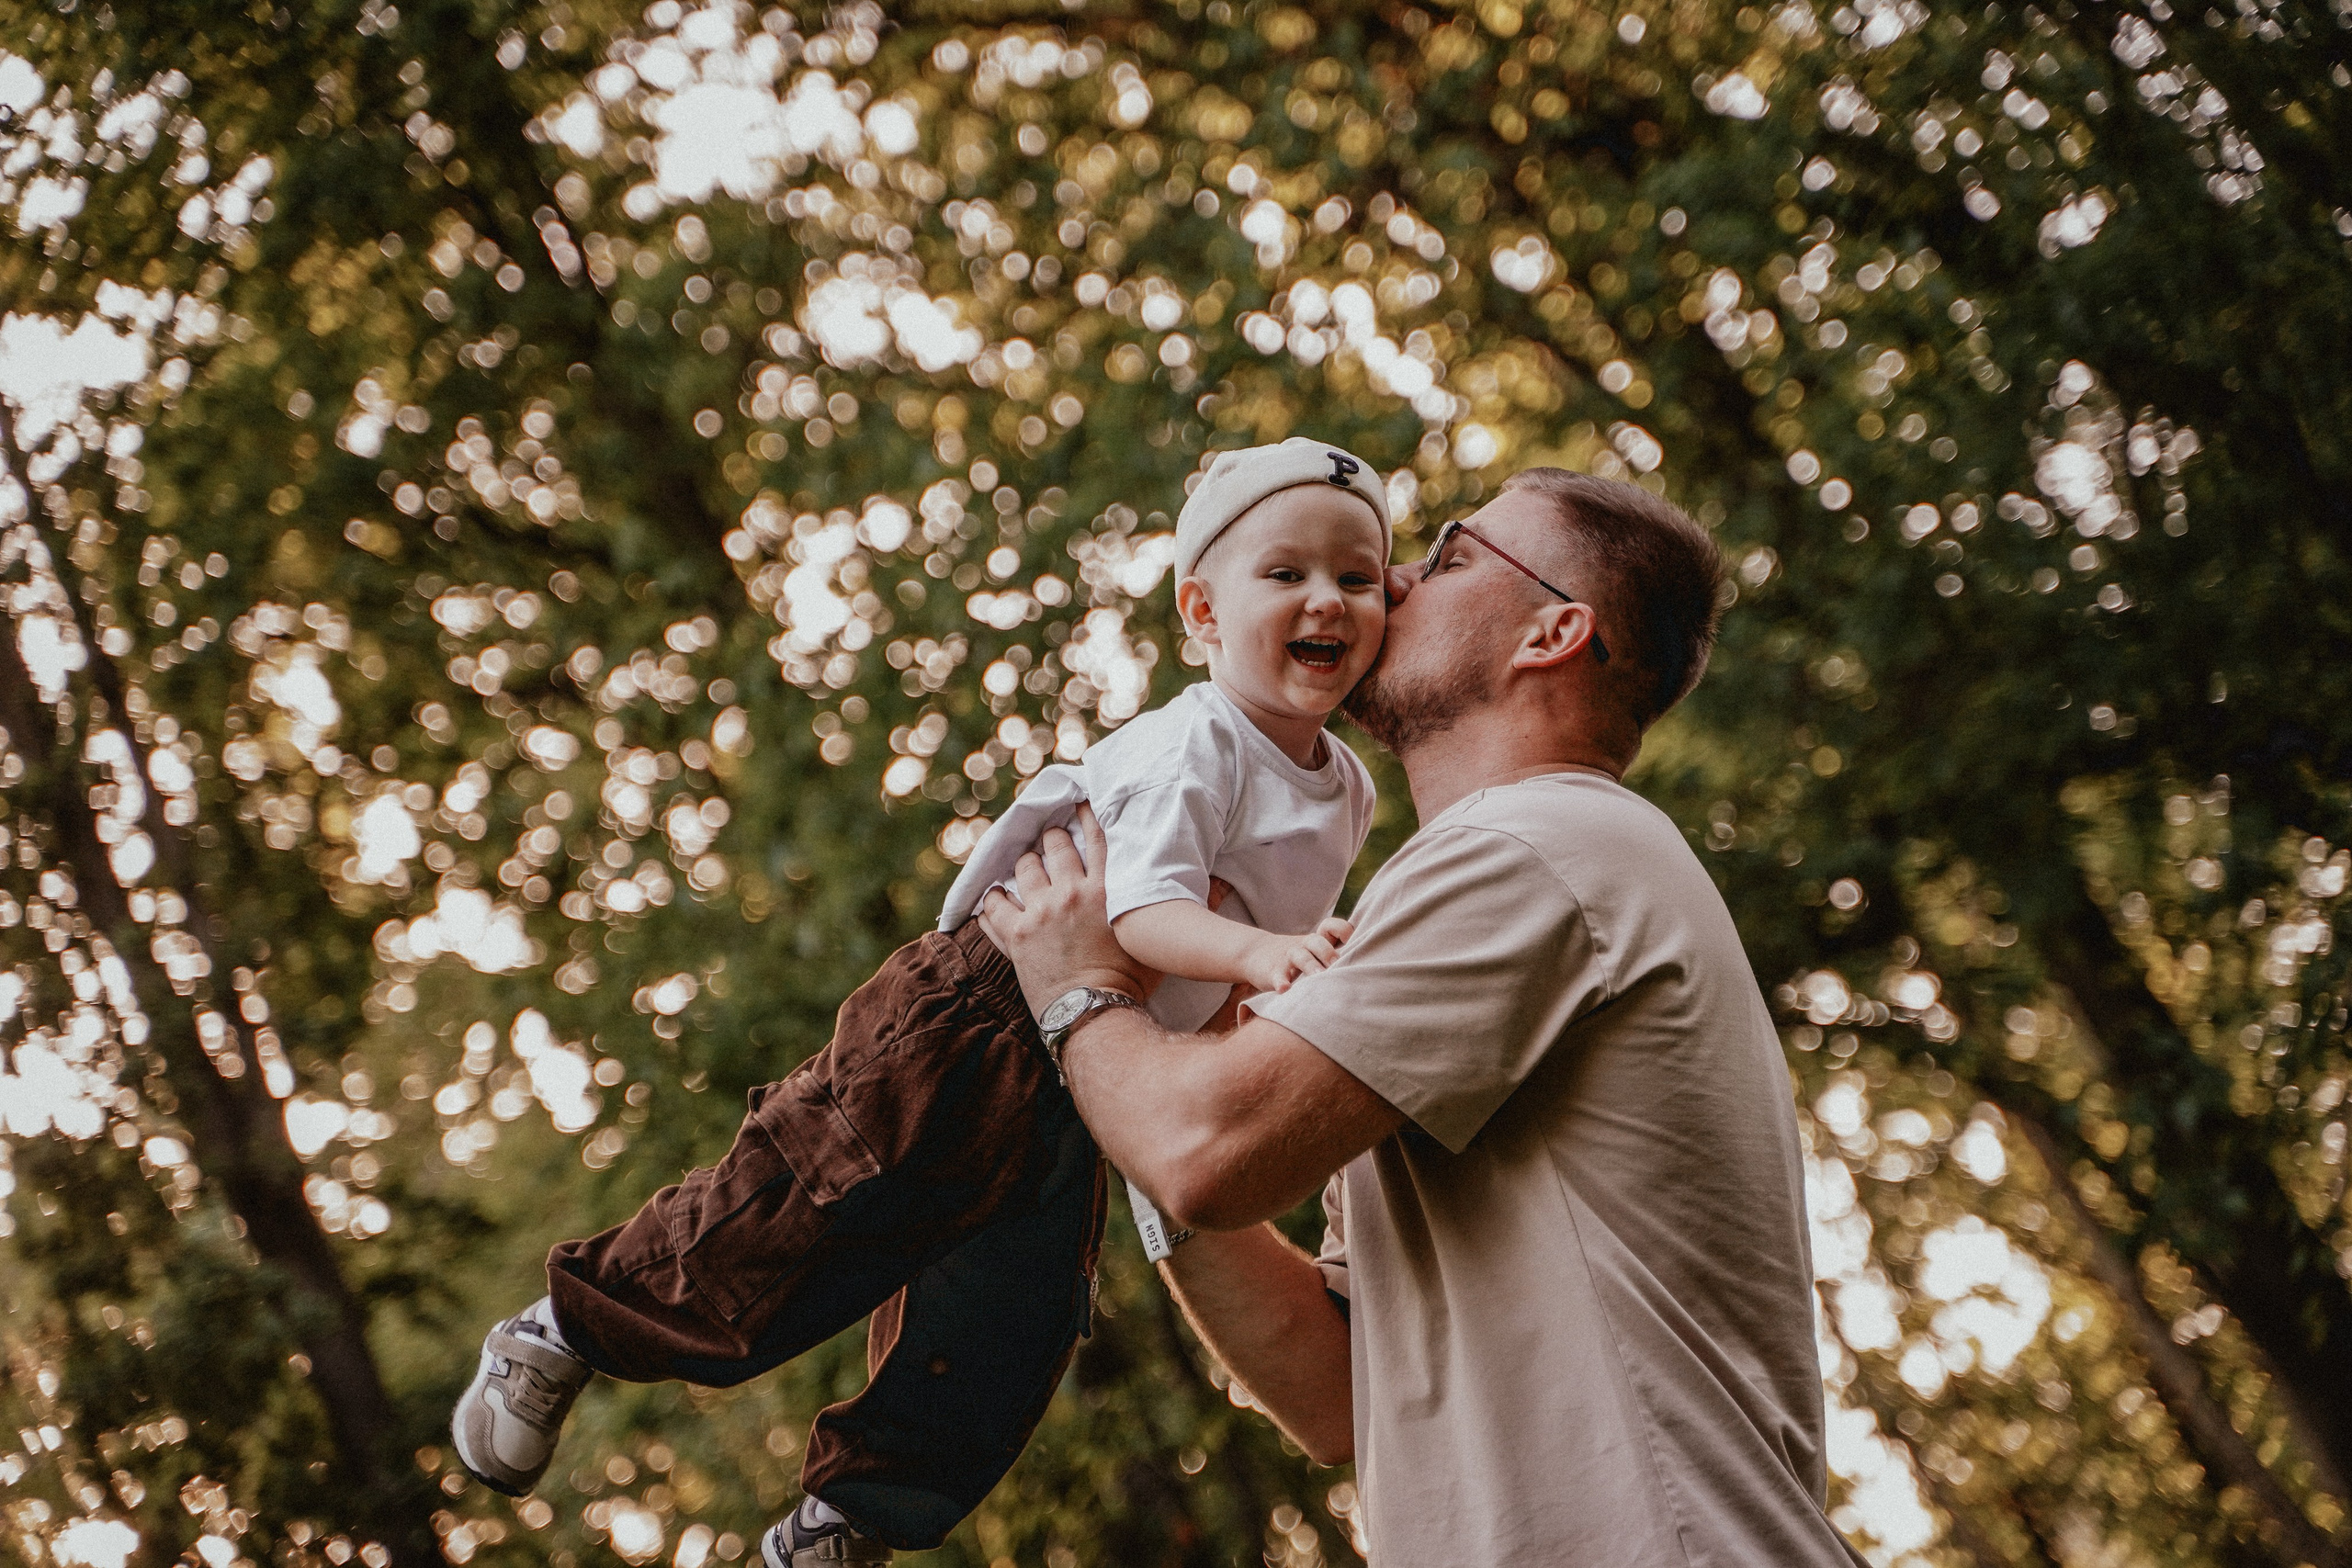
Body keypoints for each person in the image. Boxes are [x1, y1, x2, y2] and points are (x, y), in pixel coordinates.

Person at [448, 437, 1393, 1566]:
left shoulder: (1348, 790)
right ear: (1200, 610)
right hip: (982, 1010)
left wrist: (1244, 1000)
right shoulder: (1196, 742)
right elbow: (1137, 914)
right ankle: (566, 1328)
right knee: (810, 1215)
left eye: (1358, 577)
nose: (1327, 599)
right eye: (1284, 574)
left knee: (1015, 1316)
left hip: (1093, 1058)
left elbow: (1214, 963)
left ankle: (850, 1518)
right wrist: (1263, 955)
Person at [979, 468, 1866, 1565]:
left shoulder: (1535, 848)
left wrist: (1082, 996)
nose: (1385, 582)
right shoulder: (1454, 894)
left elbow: (1205, 1148)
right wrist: (1148, 1086)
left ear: (1551, 632)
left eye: (1445, 557)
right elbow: (1334, 1391)